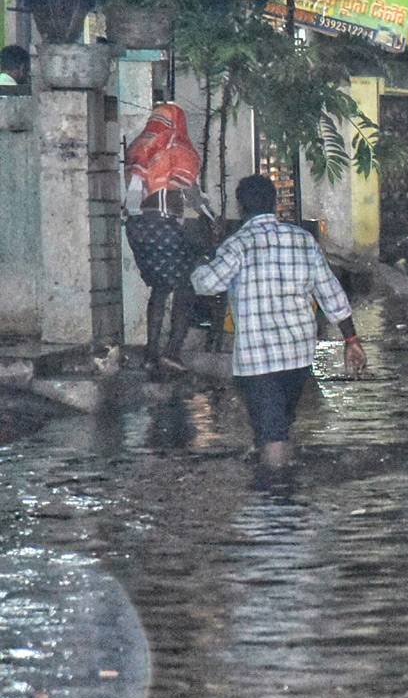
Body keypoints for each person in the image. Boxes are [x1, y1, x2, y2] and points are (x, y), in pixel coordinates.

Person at [191, 175, 368, 472]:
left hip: (257, 361)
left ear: (241, 206)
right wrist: (351, 341)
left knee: (271, 435)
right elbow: (331, 294)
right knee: (280, 426)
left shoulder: (238, 245)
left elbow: (206, 284)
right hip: (298, 358)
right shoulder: (302, 240)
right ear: (274, 203)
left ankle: (276, 500)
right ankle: (289, 492)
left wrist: (199, 263)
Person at [123, 103, 215, 374]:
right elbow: (193, 197)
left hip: (139, 230)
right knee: (187, 287)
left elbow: (132, 197)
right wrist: (210, 216)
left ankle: (151, 353)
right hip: (165, 225)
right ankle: (173, 351)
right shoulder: (179, 149)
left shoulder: (139, 148)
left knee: (161, 289)